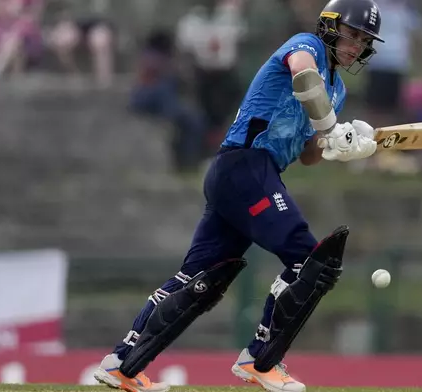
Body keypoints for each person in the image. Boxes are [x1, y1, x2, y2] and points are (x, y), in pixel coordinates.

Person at [94, 0, 384, 391]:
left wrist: (345, 146)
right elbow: (302, 75)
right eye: (351, 36)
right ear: (330, 28)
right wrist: (331, 127)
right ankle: (261, 361)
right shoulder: (307, 46)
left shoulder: (339, 90)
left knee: (202, 278)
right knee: (309, 262)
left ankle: (121, 365)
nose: (355, 47)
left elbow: (310, 154)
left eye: (363, 42)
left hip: (246, 176)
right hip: (246, 166)